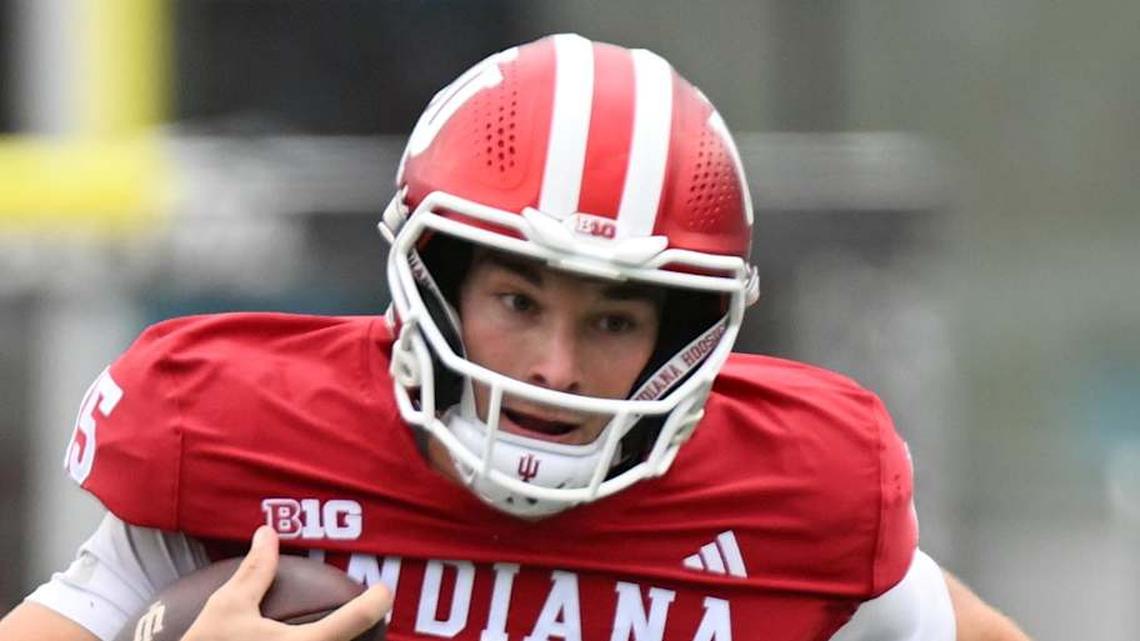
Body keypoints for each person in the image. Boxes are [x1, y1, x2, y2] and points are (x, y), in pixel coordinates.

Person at [0, 34, 1030, 641]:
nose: (555, 367)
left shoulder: (798, 491)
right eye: (519, 303)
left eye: (614, 319)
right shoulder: (237, 434)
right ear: (437, 280)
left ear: (689, 334)